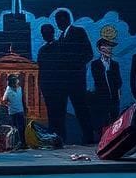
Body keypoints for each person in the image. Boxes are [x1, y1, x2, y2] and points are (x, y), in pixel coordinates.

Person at [53, 9, 95, 144]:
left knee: (81, 109)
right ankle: (62, 138)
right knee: (62, 110)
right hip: (64, 82)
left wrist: (76, 67)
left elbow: (89, 53)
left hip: (76, 80)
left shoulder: (78, 32)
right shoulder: (60, 37)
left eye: (59, 20)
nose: (57, 24)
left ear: (66, 20)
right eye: (56, 21)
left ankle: (88, 137)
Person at [36, 23, 66, 140]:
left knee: (58, 113)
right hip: (49, 87)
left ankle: (59, 136)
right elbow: (40, 68)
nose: (45, 35)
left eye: (46, 33)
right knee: (53, 113)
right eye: (44, 33)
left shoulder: (57, 48)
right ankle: (56, 136)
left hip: (57, 87)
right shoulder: (44, 50)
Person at [88, 35, 122, 136]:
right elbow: (92, 84)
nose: (109, 49)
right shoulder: (95, 64)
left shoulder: (115, 64)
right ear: (100, 48)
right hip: (101, 99)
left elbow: (119, 81)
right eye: (106, 46)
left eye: (110, 47)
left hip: (114, 99)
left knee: (114, 121)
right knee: (102, 122)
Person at [1, 74, 26, 149]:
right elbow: (4, 100)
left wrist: (25, 107)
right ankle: (17, 143)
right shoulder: (8, 90)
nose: (18, 81)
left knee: (21, 128)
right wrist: (9, 104)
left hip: (20, 110)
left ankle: (23, 143)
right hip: (13, 112)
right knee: (16, 128)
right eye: (16, 80)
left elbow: (22, 98)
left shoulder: (20, 89)